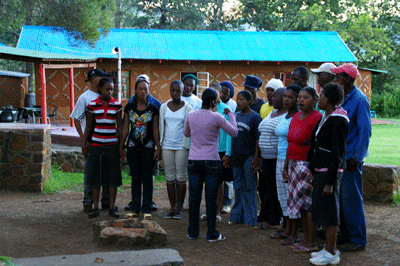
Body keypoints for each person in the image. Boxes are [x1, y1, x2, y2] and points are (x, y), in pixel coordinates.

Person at [184, 87, 238, 242]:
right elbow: (234, 132)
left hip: (194, 160)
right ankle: (211, 233)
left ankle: (193, 232)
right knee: (211, 198)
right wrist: (232, 115)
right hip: (212, 161)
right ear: (214, 101)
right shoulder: (218, 117)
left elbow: (187, 133)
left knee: (194, 197)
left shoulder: (191, 115)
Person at [307, 82, 349, 265]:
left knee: (331, 213)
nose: (318, 98)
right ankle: (327, 248)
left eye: (321, 95)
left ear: (330, 99)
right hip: (321, 170)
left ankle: (330, 252)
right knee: (322, 210)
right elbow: (317, 145)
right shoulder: (326, 117)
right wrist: (312, 170)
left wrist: (330, 182)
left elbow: (337, 154)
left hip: (329, 172)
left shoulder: (338, 120)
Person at [331, 63, 372, 252]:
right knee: (341, 199)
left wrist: (357, 156)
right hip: (340, 157)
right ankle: (346, 234)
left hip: (351, 158)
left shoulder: (360, 100)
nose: (335, 79)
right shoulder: (342, 98)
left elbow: (365, 131)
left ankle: (358, 239)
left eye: (338, 76)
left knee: (351, 200)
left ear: (348, 78)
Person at [283, 87, 322, 251]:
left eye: (305, 98)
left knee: (308, 205)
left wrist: (313, 169)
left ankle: (310, 242)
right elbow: (290, 142)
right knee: (300, 205)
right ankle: (304, 239)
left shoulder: (317, 117)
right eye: (299, 97)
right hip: (293, 163)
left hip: (306, 164)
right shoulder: (296, 116)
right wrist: (286, 165)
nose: (300, 100)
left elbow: (316, 145)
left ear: (315, 100)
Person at [70, 68, 111, 212]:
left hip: (107, 141)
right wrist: (83, 140)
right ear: (94, 79)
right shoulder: (85, 97)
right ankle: (88, 202)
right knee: (91, 173)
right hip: (93, 141)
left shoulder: (106, 94)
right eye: (101, 77)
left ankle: (106, 202)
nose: (103, 80)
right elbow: (76, 119)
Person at [81, 77, 123, 219]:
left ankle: (111, 207)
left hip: (112, 145)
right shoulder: (92, 105)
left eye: (112, 89)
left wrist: (121, 146)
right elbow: (89, 126)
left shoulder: (117, 105)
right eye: (107, 89)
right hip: (96, 145)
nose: (110, 92)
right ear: (100, 89)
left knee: (112, 178)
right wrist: (84, 142)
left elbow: (120, 126)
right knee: (95, 178)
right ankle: (96, 207)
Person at [121, 74, 161, 221]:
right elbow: (126, 128)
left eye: (145, 89)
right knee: (135, 178)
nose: (143, 92)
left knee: (147, 178)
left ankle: (147, 209)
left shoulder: (153, 108)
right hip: (132, 147)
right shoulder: (129, 108)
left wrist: (158, 148)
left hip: (148, 147)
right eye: (140, 89)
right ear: (135, 90)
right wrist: (122, 146)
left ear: (148, 90)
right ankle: (135, 209)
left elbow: (155, 130)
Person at [270, 84, 302, 240]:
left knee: (291, 196)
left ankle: (293, 231)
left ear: (297, 99)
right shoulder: (284, 116)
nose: (286, 99)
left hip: (290, 160)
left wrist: (286, 165)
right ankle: (286, 227)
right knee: (282, 195)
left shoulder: (298, 117)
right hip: (280, 158)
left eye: (291, 97)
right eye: (285, 96)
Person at [199, 83, 233, 223]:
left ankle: (217, 212)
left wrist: (228, 153)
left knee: (218, 183)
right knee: (208, 183)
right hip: (206, 150)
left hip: (221, 151)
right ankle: (208, 211)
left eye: (216, 93)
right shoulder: (202, 110)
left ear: (220, 95)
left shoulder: (226, 110)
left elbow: (231, 134)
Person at [159, 80, 193, 220]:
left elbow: (190, 129)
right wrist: (159, 146)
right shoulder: (163, 107)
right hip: (166, 145)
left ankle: (180, 208)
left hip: (181, 146)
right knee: (169, 177)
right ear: (170, 90)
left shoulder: (188, 108)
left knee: (181, 177)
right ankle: (172, 208)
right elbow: (161, 126)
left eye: (178, 91)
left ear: (182, 91)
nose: (175, 93)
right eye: (173, 90)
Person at [229, 90, 262, 227]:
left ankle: (250, 218)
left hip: (249, 156)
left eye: (242, 99)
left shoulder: (255, 117)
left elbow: (257, 139)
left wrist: (256, 157)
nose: (239, 102)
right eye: (238, 99)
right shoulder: (235, 116)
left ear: (249, 101)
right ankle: (237, 216)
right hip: (236, 156)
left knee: (250, 187)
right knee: (237, 186)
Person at [256, 87, 286, 229]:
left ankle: (275, 219)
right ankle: (270, 216)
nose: (271, 98)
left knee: (276, 190)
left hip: (277, 158)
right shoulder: (273, 112)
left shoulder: (286, 116)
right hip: (266, 158)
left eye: (275, 96)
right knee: (269, 189)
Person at [219, 81, 236, 213]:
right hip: (216, 145)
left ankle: (227, 202)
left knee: (227, 178)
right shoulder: (214, 105)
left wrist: (228, 151)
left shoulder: (233, 106)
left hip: (227, 145)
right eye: (222, 91)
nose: (223, 94)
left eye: (227, 92)